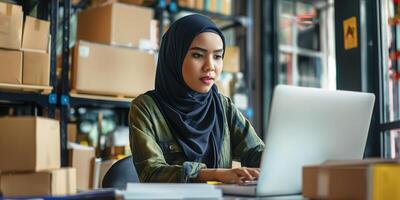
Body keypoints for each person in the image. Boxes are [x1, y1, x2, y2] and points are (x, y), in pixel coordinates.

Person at [129, 14, 264, 184]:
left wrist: (281, 159)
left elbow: (254, 152)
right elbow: (151, 172)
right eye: (198, 55)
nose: (210, 66)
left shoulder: (223, 106)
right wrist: (213, 174)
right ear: (174, 56)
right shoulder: (146, 108)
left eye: (217, 56)